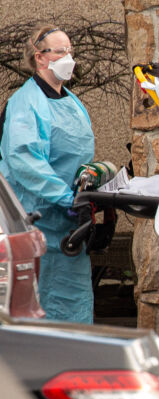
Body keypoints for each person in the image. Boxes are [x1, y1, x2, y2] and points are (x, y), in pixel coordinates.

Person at [0, 25, 95, 324]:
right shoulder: (26, 103)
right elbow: (24, 160)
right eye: (61, 51)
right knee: (40, 309)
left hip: (69, 226)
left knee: (75, 309)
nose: (69, 58)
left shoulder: (71, 101)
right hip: (37, 222)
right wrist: (67, 198)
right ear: (40, 57)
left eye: (71, 51)